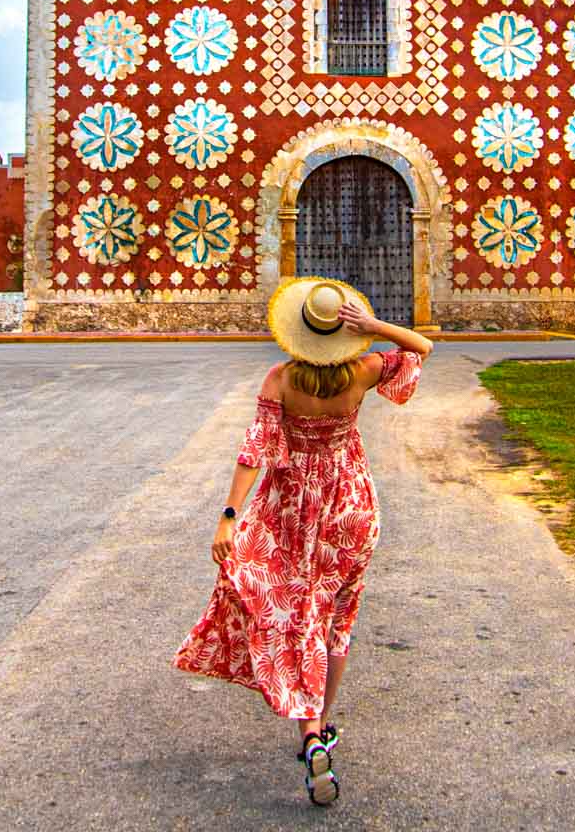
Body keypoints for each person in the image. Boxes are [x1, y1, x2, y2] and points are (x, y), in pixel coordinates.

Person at [174, 278, 434, 806]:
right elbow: (421, 348)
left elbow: (255, 451)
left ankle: (310, 732)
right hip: (350, 507)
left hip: (290, 509)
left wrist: (229, 517)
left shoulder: (282, 379)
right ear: (345, 333)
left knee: (295, 614)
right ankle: (324, 724)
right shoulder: (363, 371)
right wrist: (374, 328)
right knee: (336, 619)